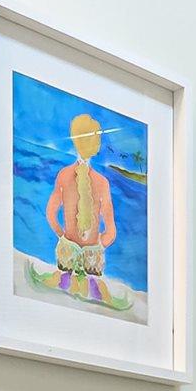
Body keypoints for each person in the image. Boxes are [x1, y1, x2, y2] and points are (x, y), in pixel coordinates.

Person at [46, 112, 119, 304]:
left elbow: (51, 214)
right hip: (92, 258)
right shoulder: (102, 183)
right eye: (97, 138)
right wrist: (98, 245)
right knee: (96, 292)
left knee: (63, 287)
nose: (98, 142)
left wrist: (64, 237)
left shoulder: (63, 175)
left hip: (67, 253)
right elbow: (111, 231)